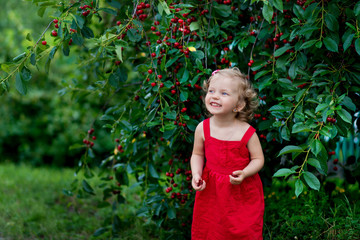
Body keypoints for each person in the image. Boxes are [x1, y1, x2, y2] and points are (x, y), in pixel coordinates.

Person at [190, 68, 265, 239]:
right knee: (211, 229)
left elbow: (258, 159)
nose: (215, 96)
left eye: (224, 93)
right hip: (212, 193)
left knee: (244, 230)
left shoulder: (247, 132)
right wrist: (196, 174)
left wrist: (245, 172)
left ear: (238, 105)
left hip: (240, 191)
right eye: (211, 91)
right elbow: (197, 154)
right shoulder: (203, 128)